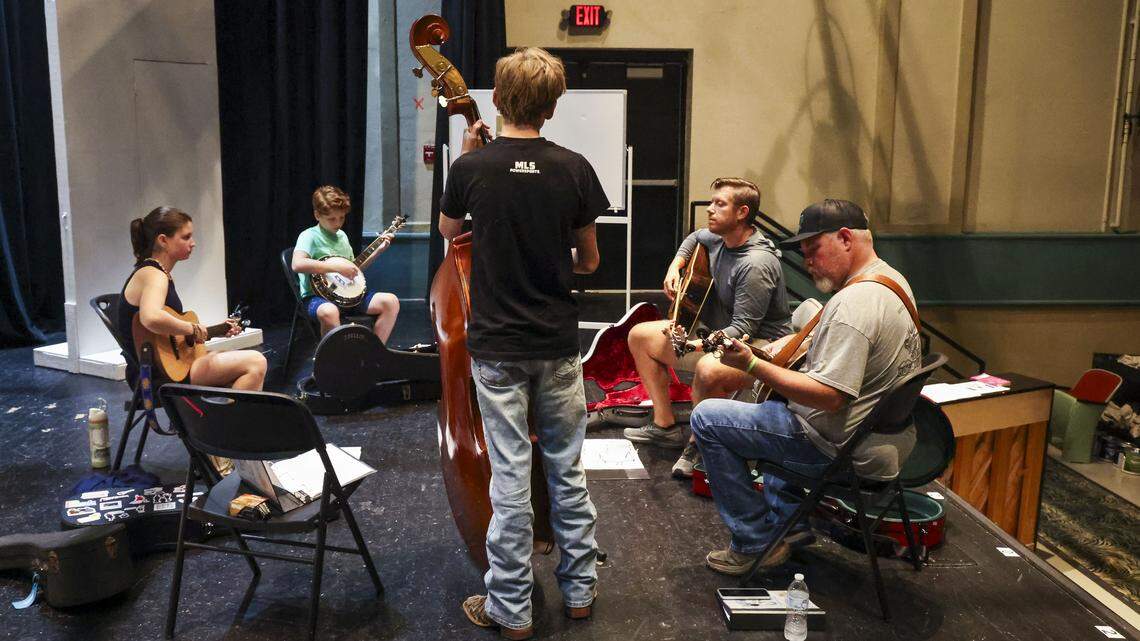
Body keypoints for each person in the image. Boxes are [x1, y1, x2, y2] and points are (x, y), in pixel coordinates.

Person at [438, 47, 606, 640]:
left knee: (509, 477)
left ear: (498, 100)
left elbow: (450, 233)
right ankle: (580, 593)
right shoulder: (575, 167)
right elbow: (588, 259)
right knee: (568, 470)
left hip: (497, 347)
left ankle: (511, 610)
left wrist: (467, 160)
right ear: (554, 106)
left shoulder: (471, 170)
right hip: (558, 344)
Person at [689, 198, 922, 576]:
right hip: (884, 439)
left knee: (707, 418)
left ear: (846, 238)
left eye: (813, 249)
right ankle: (791, 524)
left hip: (839, 449)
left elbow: (829, 397)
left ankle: (755, 541)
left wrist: (751, 364)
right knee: (776, 406)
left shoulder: (854, 306)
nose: (807, 261)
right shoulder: (891, 280)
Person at [622, 177, 791, 478]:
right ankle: (664, 425)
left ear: (742, 213)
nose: (710, 210)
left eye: (719, 204)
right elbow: (694, 238)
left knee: (708, 370)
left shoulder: (755, 263)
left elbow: (743, 328)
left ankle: (699, 443)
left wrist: (692, 345)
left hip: (761, 348)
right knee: (639, 336)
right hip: (718, 336)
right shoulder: (717, 238)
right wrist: (676, 265)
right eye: (711, 203)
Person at [117, 207, 268, 474]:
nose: (193, 243)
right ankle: (223, 446)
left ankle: (219, 443)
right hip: (157, 378)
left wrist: (210, 331)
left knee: (237, 363)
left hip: (162, 369)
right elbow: (150, 317)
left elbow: (164, 333)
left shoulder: (154, 272)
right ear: (163, 240)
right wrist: (191, 328)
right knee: (254, 363)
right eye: (186, 237)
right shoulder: (154, 275)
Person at [291, 185, 400, 342]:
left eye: (342, 218)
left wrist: (378, 251)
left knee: (391, 302)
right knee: (329, 312)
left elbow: (353, 270)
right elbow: (297, 264)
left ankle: (375, 353)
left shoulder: (341, 236)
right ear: (317, 215)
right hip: (316, 297)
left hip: (347, 295)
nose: (338, 223)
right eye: (332, 219)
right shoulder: (309, 236)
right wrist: (336, 267)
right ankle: (333, 361)